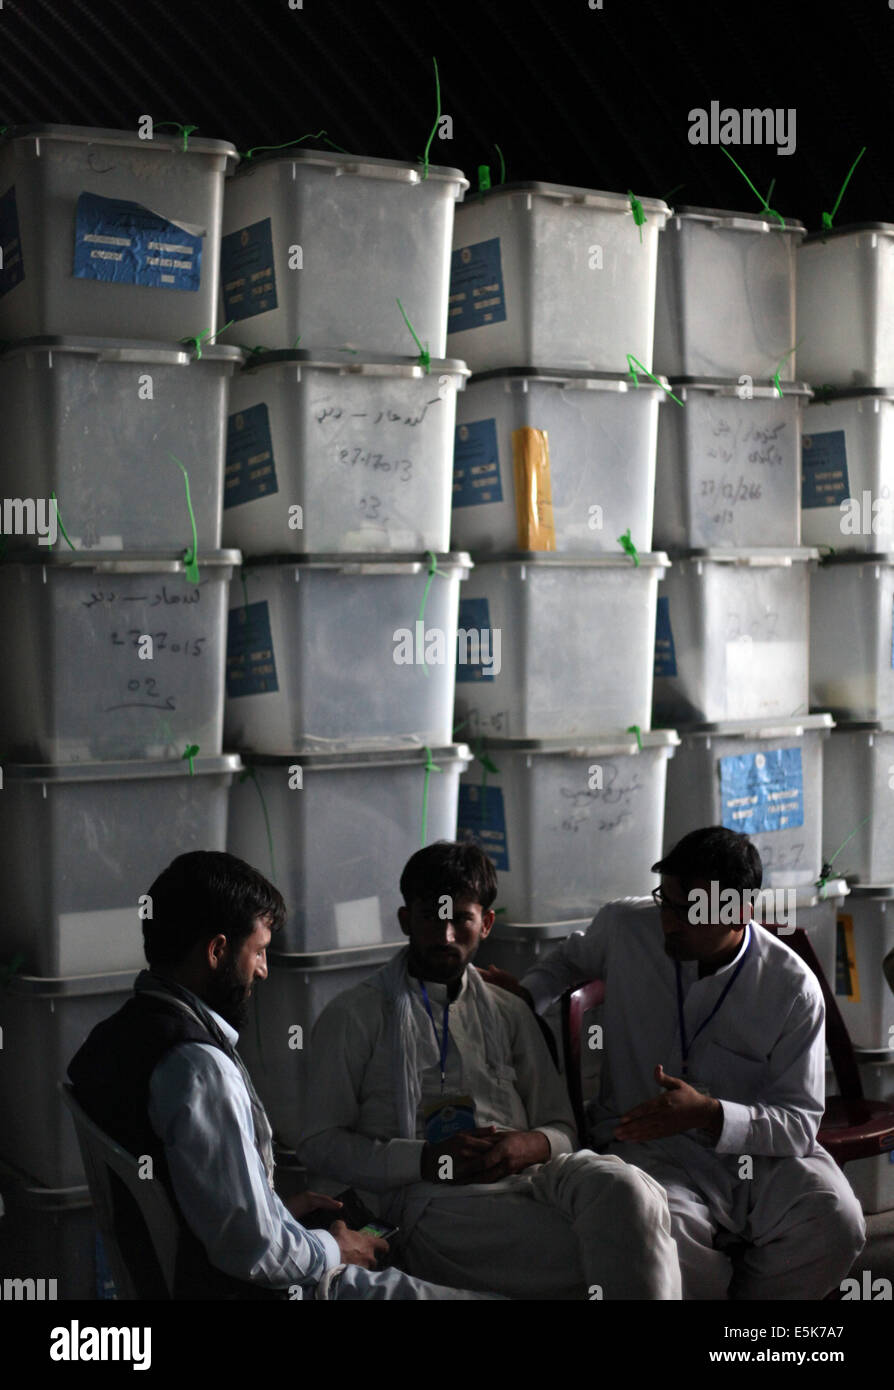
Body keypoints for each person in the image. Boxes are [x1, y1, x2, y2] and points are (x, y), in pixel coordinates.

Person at [68, 851, 494, 1301]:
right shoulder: (198, 1068)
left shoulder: (115, 1035)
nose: (264, 970)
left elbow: (201, 1204)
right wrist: (334, 1247)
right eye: (259, 951)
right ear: (216, 951)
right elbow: (252, 1251)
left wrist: (273, 1212)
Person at [483, 826, 866, 1300]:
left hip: (752, 1155)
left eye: (688, 911)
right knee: (659, 1233)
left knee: (836, 1218)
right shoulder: (627, 928)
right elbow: (565, 964)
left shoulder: (791, 988)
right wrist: (528, 995)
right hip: (643, 1144)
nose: (668, 921)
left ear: (737, 913)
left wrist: (711, 1114)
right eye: (666, 899)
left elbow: (798, 1125)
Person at [298, 840, 683, 1300]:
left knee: (628, 1193)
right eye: (430, 918)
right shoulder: (356, 1014)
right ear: (405, 921)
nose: (444, 936)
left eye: (459, 918)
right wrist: (424, 1157)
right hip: (435, 1199)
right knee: (616, 1250)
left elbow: (562, 1127)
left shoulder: (508, 1010)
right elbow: (319, 1145)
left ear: (486, 923)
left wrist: (529, 1143)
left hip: (534, 1178)